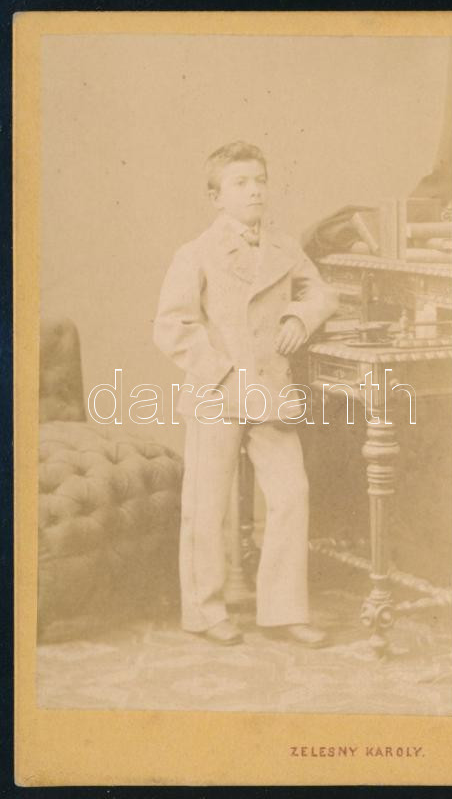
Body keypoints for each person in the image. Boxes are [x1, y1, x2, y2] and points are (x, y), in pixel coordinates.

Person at [153, 141, 338, 647]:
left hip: (272, 391)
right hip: (216, 393)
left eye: (260, 180)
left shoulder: (283, 248)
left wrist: (300, 317)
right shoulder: (196, 253)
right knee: (206, 504)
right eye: (241, 182)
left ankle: (283, 610)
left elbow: (321, 292)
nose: (255, 190)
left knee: (291, 493)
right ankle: (205, 610)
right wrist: (223, 374)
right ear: (216, 197)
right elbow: (172, 326)